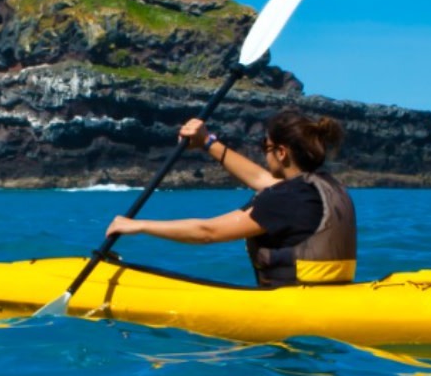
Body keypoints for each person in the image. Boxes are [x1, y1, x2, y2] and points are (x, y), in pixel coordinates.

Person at [105, 108, 358, 285]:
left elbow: (208, 232)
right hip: (328, 295)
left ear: (281, 152)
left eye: (266, 147)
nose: (264, 154)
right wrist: (206, 142)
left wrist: (138, 225)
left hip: (292, 303)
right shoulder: (325, 186)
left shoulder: (286, 198)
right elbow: (260, 179)